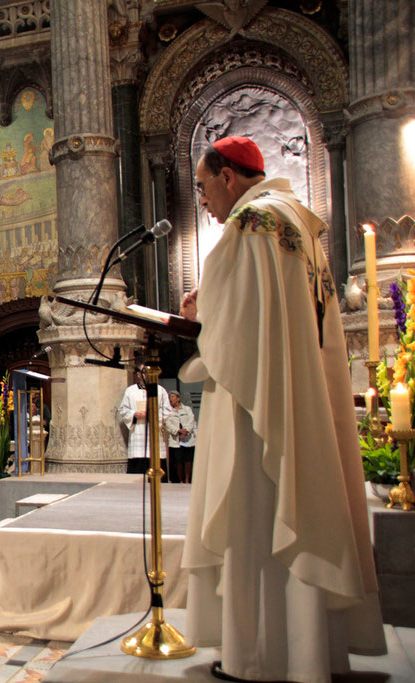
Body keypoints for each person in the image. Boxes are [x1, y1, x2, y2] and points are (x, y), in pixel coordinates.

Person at [179, 136, 385, 680]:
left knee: (257, 513)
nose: (203, 200)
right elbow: (269, 312)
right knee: (301, 503)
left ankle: (258, 658)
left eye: (203, 186)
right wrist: (213, 309)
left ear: (227, 176)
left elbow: (236, 334)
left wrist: (199, 323)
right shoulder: (298, 224)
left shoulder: (251, 224)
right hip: (301, 394)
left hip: (257, 406)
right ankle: (308, 651)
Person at [116, 364, 172, 476]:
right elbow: (123, 410)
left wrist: (152, 415)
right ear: (138, 374)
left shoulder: (160, 390)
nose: (146, 375)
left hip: (154, 431)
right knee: (138, 468)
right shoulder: (130, 391)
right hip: (138, 432)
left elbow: (167, 411)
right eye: (144, 372)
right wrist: (134, 414)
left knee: (155, 460)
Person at [165, 390, 196, 484]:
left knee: (188, 460)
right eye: (170, 397)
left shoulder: (187, 409)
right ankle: (180, 480)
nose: (171, 399)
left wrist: (186, 430)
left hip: (187, 438)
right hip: (176, 439)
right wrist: (178, 431)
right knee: (178, 460)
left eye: (173, 397)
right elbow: (167, 423)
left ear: (178, 398)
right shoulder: (168, 411)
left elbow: (192, 420)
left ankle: (187, 479)